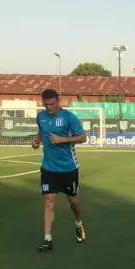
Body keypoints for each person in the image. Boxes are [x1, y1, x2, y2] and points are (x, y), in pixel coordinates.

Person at [32, 89, 87, 252]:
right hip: (48, 167)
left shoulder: (69, 118)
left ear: (58, 101)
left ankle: (78, 224)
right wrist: (36, 141)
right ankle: (47, 239)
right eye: (46, 104)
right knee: (48, 201)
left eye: (52, 104)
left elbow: (83, 137)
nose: (49, 107)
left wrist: (63, 139)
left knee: (73, 201)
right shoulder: (41, 117)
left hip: (68, 167)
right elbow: (41, 132)